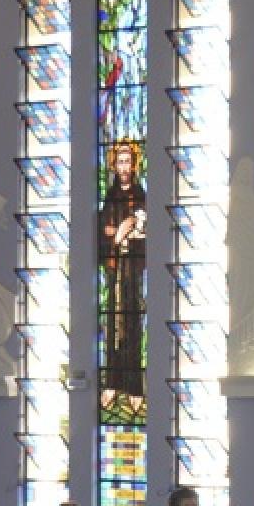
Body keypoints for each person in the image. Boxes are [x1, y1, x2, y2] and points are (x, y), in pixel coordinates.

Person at [99, 140, 146, 399]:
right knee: (112, 324)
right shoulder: (110, 197)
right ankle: (112, 383)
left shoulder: (141, 196)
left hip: (132, 271)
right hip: (114, 270)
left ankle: (133, 386)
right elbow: (103, 229)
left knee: (131, 324)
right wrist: (117, 233)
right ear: (114, 165)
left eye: (128, 161)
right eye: (120, 161)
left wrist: (131, 231)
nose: (124, 166)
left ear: (135, 165)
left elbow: (144, 230)